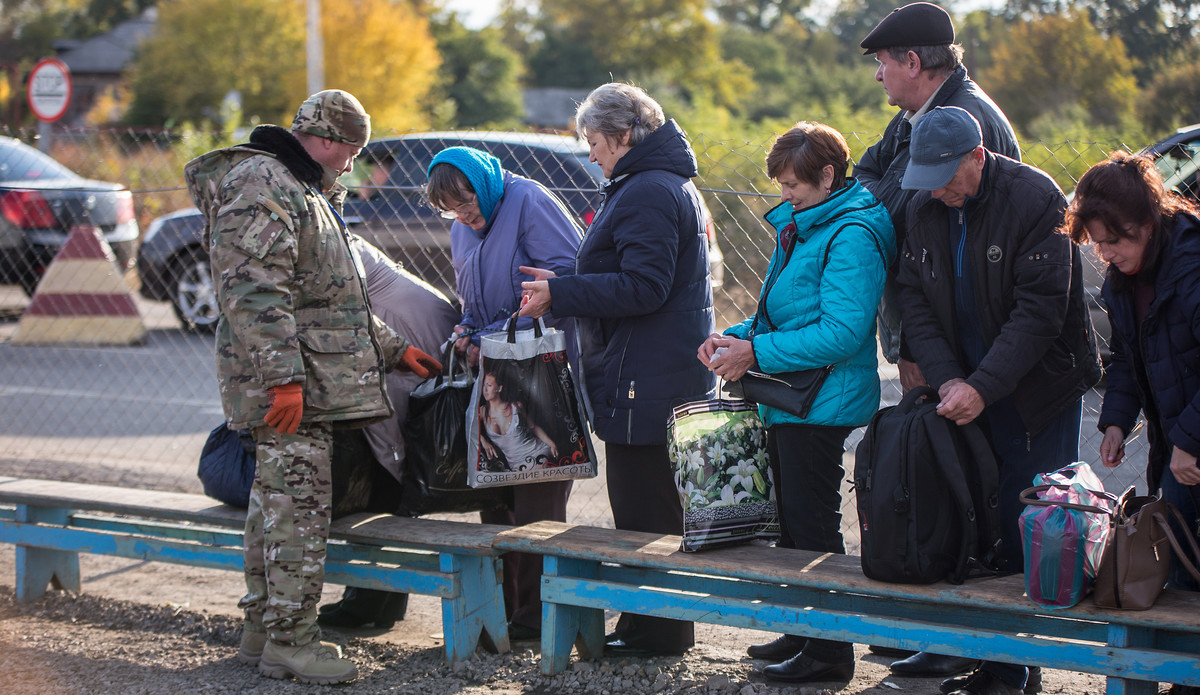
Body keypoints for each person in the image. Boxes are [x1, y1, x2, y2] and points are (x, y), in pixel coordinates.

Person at [186, 89, 441, 685]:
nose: (355, 160)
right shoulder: (265, 184)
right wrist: (283, 382)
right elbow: (253, 291)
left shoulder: (305, 190)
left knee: (272, 510)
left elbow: (331, 299)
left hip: (308, 383)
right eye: (353, 147)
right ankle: (292, 643)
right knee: (298, 515)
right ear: (328, 139)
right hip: (291, 389)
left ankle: (262, 630)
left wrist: (392, 348)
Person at [896, 106, 1101, 695]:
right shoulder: (924, 201)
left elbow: (1039, 312)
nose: (936, 188)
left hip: (1037, 390)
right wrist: (949, 381)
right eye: (926, 175)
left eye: (946, 175)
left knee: (1025, 524)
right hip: (962, 385)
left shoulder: (1036, 197)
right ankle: (971, 651)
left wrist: (982, 386)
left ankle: (1015, 668)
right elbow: (916, 301)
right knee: (973, 524)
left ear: (977, 157)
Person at [519, 82, 717, 657]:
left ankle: (660, 630)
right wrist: (566, 286)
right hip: (650, 368)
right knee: (641, 504)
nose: (590, 153)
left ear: (624, 136)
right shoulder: (650, 183)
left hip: (647, 374)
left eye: (594, 141)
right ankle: (647, 620)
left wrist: (562, 292)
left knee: (646, 509)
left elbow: (644, 286)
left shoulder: (648, 190)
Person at [698, 122, 894, 684]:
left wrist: (752, 352)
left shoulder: (849, 233)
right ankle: (805, 632)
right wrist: (731, 337)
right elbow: (786, 313)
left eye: (791, 184)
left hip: (820, 400)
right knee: (791, 522)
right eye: (781, 183)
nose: (784, 194)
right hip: (795, 394)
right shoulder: (811, 224)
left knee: (812, 527)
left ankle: (829, 653)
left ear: (827, 175)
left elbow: (841, 331)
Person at [424, 145, 582, 642]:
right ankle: (502, 613)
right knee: (495, 497)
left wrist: (493, 330)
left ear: (484, 183)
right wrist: (469, 329)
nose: (462, 216)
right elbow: (469, 299)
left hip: (539, 374)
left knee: (537, 495)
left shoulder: (528, 200)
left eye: (466, 203)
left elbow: (568, 282)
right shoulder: (461, 227)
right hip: (492, 374)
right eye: (450, 210)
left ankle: (539, 619)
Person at [1066, 154, 1200, 695]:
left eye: (1113, 241)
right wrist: (1117, 422)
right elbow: (1127, 357)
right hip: (1178, 442)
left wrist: (1190, 442)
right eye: (1097, 242)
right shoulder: (1128, 278)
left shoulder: (1191, 267)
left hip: (1189, 439)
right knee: (1184, 561)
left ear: (1144, 224)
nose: (1104, 254)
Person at [854, 1, 1020, 398]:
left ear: (912, 62)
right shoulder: (918, 112)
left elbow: (905, 221)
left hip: (959, 339)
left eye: (882, 63)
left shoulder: (957, 119)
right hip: (939, 327)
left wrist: (917, 348)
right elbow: (863, 173)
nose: (878, 76)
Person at [317, 234, 460, 631]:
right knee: (385, 472)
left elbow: (347, 311)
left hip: (408, 341)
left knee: (388, 469)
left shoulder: (328, 237)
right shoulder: (325, 230)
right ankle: (371, 599)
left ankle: (371, 601)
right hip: (399, 338)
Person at [478, 361, 558, 471]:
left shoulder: (515, 406)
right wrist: (483, 441)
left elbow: (533, 427)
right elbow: (468, 429)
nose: (485, 389)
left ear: (499, 388)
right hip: (516, 466)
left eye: (489, 385)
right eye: (484, 385)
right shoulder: (482, 412)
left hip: (536, 454)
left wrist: (551, 444)